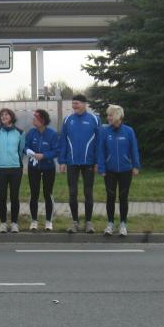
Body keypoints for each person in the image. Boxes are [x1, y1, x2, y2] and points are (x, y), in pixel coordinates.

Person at [58, 94, 100, 233]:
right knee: (72, 193)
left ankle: (88, 223)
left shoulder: (94, 119)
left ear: (84, 104)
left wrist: (97, 162)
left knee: (88, 193)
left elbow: (99, 142)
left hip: (89, 162)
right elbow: (63, 141)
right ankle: (75, 222)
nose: (74, 106)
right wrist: (62, 161)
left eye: (77, 103)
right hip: (72, 162)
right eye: (73, 103)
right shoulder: (68, 120)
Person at [97, 104, 140, 237]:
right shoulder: (105, 131)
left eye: (110, 115)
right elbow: (101, 150)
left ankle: (123, 224)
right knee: (110, 197)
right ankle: (110, 224)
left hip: (126, 170)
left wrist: (136, 165)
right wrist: (101, 167)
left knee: (123, 197)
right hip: (109, 170)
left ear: (117, 116)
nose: (108, 118)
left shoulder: (129, 131)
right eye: (108, 115)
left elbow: (134, 149)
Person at [24, 109, 60, 231]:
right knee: (34, 193)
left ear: (42, 121)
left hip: (48, 168)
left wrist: (44, 156)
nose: (33, 120)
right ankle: (34, 221)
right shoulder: (31, 133)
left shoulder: (52, 134)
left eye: (35, 118)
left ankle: (49, 221)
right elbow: (25, 146)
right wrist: (29, 152)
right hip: (33, 168)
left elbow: (56, 151)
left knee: (47, 194)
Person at [0, 108, 26, 233]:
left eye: (6, 115)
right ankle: (3, 223)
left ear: (12, 117)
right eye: (2, 115)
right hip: (1, 168)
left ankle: (14, 223)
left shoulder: (20, 133)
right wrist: (0, 161)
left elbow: (21, 150)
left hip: (16, 168)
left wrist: (15, 160)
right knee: (2, 197)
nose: (3, 117)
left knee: (14, 197)